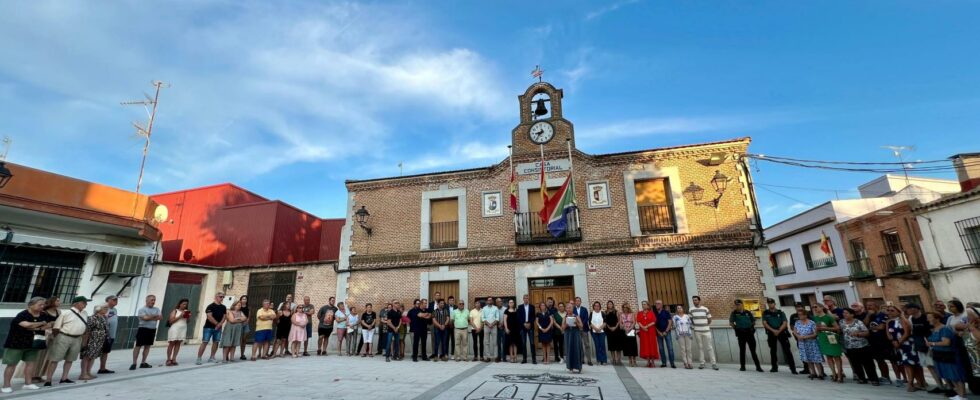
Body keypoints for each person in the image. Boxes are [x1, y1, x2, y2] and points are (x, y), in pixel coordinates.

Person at [1, 297, 48, 393]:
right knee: (12, 364)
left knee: (31, 363)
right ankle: (6, 385)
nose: (42, 306)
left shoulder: (43, 315)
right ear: (31, 305)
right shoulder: (22, 314)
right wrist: (40, 324)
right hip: (16, 343)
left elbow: (47, 326)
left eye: (43, 305)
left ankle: (28, 383)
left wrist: (37, 327)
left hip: (33, 343)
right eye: (40, 304)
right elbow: (26, 325)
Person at [45, 296, 90, 387]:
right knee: (55, 359)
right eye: (83, 302)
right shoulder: (66, 313)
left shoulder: (85, 313)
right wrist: (56, 338)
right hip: (64, 336)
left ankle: (64, 378)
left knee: (70, 359)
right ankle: (48, 380)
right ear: (76, 303)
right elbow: (56, 327)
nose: (86, 304)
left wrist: (84, 340)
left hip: (77, 338)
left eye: (86, 302)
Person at [926, 311, 969, 400]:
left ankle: (962, 396)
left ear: (937, 318)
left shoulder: (944, 329)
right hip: (939, 355)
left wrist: (932, 344)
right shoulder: (934, 329)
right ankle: (958, 394)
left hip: (949, 355)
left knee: (956, 375)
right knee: (949, 376)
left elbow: (946, 342)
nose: (928, 319)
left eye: (930, 317)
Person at [886, 304, 921, 392]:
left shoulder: (902, 320)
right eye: (888, 310)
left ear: (898, 312)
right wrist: (893, 341)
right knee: (907, 364)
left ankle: (911, 383)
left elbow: (907, 332)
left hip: (907, 344)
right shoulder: (890, 322)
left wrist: (899, 342)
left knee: (910, 364)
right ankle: (916, 382)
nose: (889, 312)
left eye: (892, 310)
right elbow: (889, 335)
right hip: (899, 346)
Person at [840, 307, 879, 385]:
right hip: (850, 346)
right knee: (855, 364)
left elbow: (867, 332)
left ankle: (873, 379)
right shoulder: (841, 322)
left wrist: (858, 334)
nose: (844, 314)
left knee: (868, 364)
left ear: (852, 314)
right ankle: (861, 378)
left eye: (846, 313)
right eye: (843, 313)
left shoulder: (858, 322)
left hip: (862, 346)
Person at [906, 303, 940, 392]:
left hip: (930, 343)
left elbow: (932, 329)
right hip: (919, 344)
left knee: (935, 364)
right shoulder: (911, 319)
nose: (907, 311)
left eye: (909, 309)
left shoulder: (925, 317)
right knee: (929, 365)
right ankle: (939, 385)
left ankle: (948, 384)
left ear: (915, 309)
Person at [762, 298, 797, 374]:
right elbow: (765, 323)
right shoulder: (765, 313)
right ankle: (774, 367)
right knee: (773, 350)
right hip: (771, 332)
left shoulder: (780, 312)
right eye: (769, 303)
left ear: (774, 304)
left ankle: (793, 368)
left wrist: (778, 330)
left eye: (772, 303)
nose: (770, 304)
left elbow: (785, 323)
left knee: (787, 350)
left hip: (781, 332)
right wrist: (773, 330)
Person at [864, 301, 895, 385]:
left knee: (892, 360)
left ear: (876, 305)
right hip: (874, 341)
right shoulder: (869, 315)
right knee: (879, 360)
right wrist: (868, 315)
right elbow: (864, 324)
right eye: (867, 305)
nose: (868, 307)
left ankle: (897, 378)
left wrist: (869, 329)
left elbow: (881, 327)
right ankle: (884, 377)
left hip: (884, 340)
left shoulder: (882, 314)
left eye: (870, 305)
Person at [812, 303, 844, 382]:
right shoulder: (815, 318)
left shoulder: (828, 317)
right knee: (828, 357)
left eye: (816, 307)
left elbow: (837, 328)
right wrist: (815, 332)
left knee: (836, 356)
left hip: (831, 337)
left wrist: (825, 328)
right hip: (822, 338)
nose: (814, 308)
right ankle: (834, 374)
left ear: (822, 307)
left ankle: (840, 375)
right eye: (813, 307)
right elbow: (816, 329)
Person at [730, 299, 762, 372]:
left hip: (749, 333)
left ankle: (758, 367)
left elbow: (753, 321)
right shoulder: (734, 313)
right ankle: (743, 367)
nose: (737, 306)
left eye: (738, 305)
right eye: (736, 305)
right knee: (742, 350)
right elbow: (731, 322)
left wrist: (751, 327)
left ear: (742, 304)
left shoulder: (748, 312)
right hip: (741, 334)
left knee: (753, 351)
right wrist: (736, 329)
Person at [130, 295, 161, 370]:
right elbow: (145, 318)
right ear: (146, 300)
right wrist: (154, 316)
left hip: (152, 329)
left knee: (147, 346)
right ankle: (134, 363)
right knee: (138, 345)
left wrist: (149, 317)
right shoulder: (142, 309)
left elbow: (160, 317)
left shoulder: (157, 309)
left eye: (154, 300)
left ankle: (143, 362)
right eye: (151, 300)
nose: (153, 302)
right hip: (143, 329)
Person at [793, 307, 825, 380]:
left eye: (801, 315)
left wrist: (806, 337)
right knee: (808, 358)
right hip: (802, 343)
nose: (800, 316)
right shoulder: (797, 322)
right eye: (799, 315)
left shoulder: (811, 322)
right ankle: (813, 373)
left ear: (805, 315)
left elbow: (815, 333)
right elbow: (794, 331)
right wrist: (798, 336)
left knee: (816, 358)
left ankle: (820, 373)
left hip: (812, 343)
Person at [78, 304, 108, 380]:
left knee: (93, 356)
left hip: (99, 341)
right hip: (91, 340)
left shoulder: (103, 318)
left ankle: (88, 372)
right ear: (98, 309)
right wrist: (85, 342)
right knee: (87, 356)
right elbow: (87, 331)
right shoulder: (92, 318)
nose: (106, 309)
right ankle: (83, 374)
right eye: (104, 308)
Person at [196, 292, 227, 365]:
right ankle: (199, 358)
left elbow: (224, 316)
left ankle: (212, 357)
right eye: (220, 297)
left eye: (223, 297)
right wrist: (217, 324)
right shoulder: (210, 306)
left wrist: (220, 324)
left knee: (216, 342)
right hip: (208, 327)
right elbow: (209, 317)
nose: (222, 298)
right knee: (205, 342)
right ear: (216, 297)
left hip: (218, 328)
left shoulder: (223, 307)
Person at [689, 295, 717, 370]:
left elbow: (709, 319)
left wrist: (705, 325)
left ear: (699, 300)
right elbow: (691, 320)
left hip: (706, 331)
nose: (694, 301)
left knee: (709, 347)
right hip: (697, 331)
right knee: (700, 347)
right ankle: (702, 363)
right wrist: (696, 326)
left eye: (696, 300)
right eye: (693, 300)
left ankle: (713, 363)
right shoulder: (691, 309)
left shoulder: (705, 309)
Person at [166, 299, 190, 366]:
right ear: (180, 304)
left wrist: (188, 317)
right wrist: (180, 316)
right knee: (172, 344)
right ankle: (168, 359)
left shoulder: (186, 311)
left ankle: (174, 359)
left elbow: (187, 322)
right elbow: (171, 321)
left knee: (178, 344)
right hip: (175, 329)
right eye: (184, 304)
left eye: (186, 304)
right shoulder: (175, 311)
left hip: (183, 329)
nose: (185, 305)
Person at [636, 300, 660, 368]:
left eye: (645, 304)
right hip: (643, 332)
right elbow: (638, 321)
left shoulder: (651, 313)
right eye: (642, 304)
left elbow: (654, 321)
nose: (643, 305)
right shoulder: (640, 313)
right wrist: (643, 327)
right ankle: (648, 361)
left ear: (648, 305)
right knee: (645, 346)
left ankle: (652, 362)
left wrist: (646, 326)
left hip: (651, 331)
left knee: (651, 345)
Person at [98, 295, 117, 375]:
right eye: (114, 299)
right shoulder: (102, 308)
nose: (116, 301)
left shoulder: (115, 310)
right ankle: (87, 371)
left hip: (111, 334)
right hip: (104, 334)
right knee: (99, 352)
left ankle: (102, 368)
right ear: (108, 300)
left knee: (106, 352)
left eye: (116, 300)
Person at [562, 302, 584, 374]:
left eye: (570, 307)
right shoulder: (565, 317)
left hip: (576, 335)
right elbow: (562, 328)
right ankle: (570, 367)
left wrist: (576, 323)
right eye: (567, 308)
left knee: (577, 349)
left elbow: (581, 326)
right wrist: (566, 325)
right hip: (568, 335)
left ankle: (578, 367)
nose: (568, 309)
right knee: (569, 350)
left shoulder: (576, 316)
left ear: (573, 308)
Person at [573, 297, 594, 366]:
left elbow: (586, 318)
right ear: (575, 302)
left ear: (580, 302)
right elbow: (573, 319)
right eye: (576, 301)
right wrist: (578, 325)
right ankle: (581, 360)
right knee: (579, 345)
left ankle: (589, 360)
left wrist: (581, 325)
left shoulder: (584, 309)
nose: (577, 302)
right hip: (576, 329)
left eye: (579, 301)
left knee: (587, 345)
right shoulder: (573, 310)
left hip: (584, 329)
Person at [653, 300, 675, 368]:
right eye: (656, 303)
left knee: (670, 348)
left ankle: (672, 363)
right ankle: (664, 363)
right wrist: (659, 332)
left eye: (658, 303)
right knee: (661, 349)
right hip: (659, 333)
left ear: (662, 305)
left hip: (667, 332)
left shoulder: (666, 312)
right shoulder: (654, 313)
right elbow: (654, 324)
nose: (657, 304)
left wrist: (666, 331)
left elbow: (670, 322)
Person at [672, 305, 693, 369]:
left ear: (683, 309)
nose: (679, 309)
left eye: (680, 308)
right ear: (676, 310)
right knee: (683, 349)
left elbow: (690, 325)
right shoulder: (675, 317)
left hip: (688, 334)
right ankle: (685, 363)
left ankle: (690, 363)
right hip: (680, 335)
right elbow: (674, 326)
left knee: (688, 349)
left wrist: (691, 334)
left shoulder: (687, 316)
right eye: (678, 308)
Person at [604, 301, 624, 366]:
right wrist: (610, 328)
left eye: (611, 304)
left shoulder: (616, 311)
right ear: (607, 305)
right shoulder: (605, 312)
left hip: (617, 330)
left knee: (618, 346)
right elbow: (605, 322)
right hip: (609, 331)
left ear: (613, 305)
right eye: (608, 304)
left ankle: (619, 360)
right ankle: (613, 359)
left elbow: (619, 320)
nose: (610, 305)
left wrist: (615, 327)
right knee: (612, 346)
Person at [589, 301, 608, 365]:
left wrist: (600, 328)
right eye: (595, 306)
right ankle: (599, 360)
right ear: (593, 307)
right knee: (597, 346)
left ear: (600, 307)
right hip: (594, 332)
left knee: (602, 346)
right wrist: (595, 329)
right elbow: (590, 323)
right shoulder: (591, 313)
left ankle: (604, 360)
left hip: (602, 332)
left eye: (598, 306)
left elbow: (605, 322)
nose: (596, 307)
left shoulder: (602, 313)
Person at [621, 303, 639, 367]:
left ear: (628, 308)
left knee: (633, 346)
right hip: (625, 331)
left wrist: (630, 329)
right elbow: (621, 323)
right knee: (627, 346)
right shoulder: (621, 314)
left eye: (626, 307)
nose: (625, 308)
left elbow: (634, 322)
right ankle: (630, 360)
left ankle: (634, 360)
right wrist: (625, 329)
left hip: (631, 330)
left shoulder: (632, 314)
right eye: (624, 307)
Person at [482, 297, 499, 362]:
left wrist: (492, 324)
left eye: (491, 300)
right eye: (489, 300)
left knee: (495, 342)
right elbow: (483, 318)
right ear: (487, 301)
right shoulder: (484, 308)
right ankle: (488, 357)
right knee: (487, 342)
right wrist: (488, 324)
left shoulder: (495, 308)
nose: (490, 301)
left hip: (494, 327)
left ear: (492, 301)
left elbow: (497, 318)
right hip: (486, 326)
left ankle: (496, 357)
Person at [237, 295, 250, 361]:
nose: (244, 300)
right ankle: (229, 354)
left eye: (245, 299)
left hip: (246, 324)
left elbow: (249, 317)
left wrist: (246, 322)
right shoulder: (238, 307)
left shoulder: (248, 307)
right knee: (236, 339)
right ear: (240, 300)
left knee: (244, 340)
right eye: (243, 299)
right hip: (239, 324)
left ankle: (242, 354)